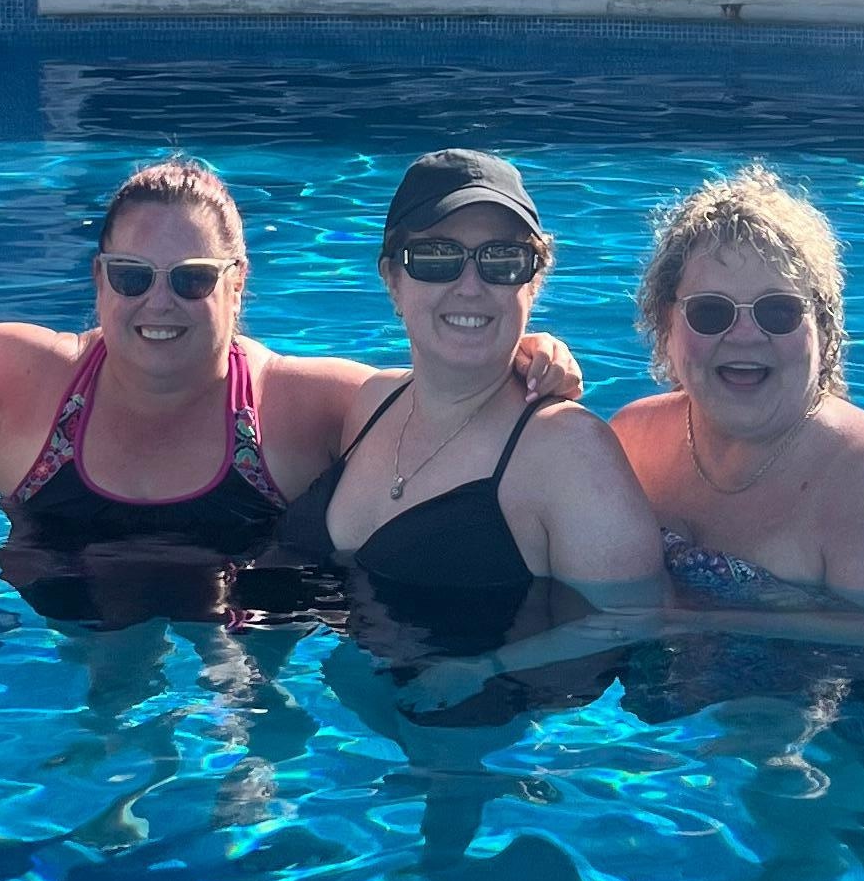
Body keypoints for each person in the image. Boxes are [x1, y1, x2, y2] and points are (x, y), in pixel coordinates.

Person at [0, 149, 586, 629]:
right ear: (98, 283)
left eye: (193, 281)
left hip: (241, 659)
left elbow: (434, 398)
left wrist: (520, 350)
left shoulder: (295, 403)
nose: (159, 304)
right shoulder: (28, 378)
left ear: (237, 288)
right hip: (58, 648)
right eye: (132, 277)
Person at [274, 149, 666, 641]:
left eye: (502, 260)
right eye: (437, 258)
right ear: (392, 280)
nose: (470, 286)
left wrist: (480, 670)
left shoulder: (573, 454)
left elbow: (633, 627)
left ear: (533, 284)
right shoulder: (374, 402)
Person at [607, 165, 864, 623]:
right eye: (710, 312)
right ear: (666, 327)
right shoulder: (632, 439)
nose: (744, 336)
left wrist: (696, 624)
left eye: (778, 311)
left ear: (824, 331)